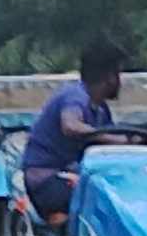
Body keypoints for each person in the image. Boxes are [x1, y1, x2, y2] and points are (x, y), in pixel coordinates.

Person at [20, 39, 132, 219]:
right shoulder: (76, 96)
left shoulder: (101, 110)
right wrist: (109, 138)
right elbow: (70, 125)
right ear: (110, 77)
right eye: (119, 74)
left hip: (72, 175)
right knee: (103, 202)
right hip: (47, 180)